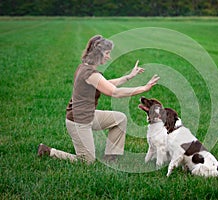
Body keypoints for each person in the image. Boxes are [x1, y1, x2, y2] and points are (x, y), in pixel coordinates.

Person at [38, 35, 160, 163]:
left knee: (120, 119)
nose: (109, 56)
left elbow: (106, 83)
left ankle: (111, 157)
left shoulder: (85, 67)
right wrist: (143, 88)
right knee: (86, 161)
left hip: (88, 115)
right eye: (107, 53)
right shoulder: (90, 73)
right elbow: (115, 92)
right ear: (98, 54)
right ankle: (49, 151)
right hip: (79, 121)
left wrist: (129, 77)